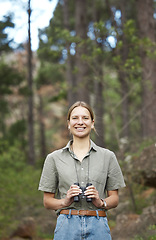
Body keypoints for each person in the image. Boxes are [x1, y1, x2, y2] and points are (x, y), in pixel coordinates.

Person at [38, 101, 126, 240]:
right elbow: (47, 201)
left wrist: (100, 202)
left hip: (98, 225)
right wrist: (64, 201)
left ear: (92, 123)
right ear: (68, 123)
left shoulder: (108, 156)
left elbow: (114, 199)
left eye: (85, 118)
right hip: (66, 226)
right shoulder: (53, 158)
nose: (80, 122)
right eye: (75, 118)